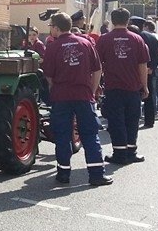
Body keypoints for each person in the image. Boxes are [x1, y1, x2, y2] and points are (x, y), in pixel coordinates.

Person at [42, 12, 110, 186]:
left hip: (61, 97)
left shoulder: (52, 47)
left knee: (62, 135)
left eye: (51, 27)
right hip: (83, 95)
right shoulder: (86, 43)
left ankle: (63, 174)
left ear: (56, 28)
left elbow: (48, 75)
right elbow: (97, 70)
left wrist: (54, 88)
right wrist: (92, 91)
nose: (51, 30)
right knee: (90, 134)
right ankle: (96, 174)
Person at [96, 8, 150, 165]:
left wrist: (97, 85)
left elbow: (97, 65)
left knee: (116, 121)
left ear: (112, 21)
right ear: (128, 21)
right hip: (133, 87)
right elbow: (142, 65)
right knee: (132, 120)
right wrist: (145, 86)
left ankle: (119, 154)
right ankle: (131, 152)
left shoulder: (104, 39)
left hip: (113, 87)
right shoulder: (137, 39)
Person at [130, 16, 158, 128]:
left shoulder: (133, 37)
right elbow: (156, 54)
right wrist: (151, 68)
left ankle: (133, 120)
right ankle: (149, 120)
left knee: (132, 95)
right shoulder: (151, 37)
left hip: (133, 71)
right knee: (149, 96)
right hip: (148, 71)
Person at [144, 20, 158, 119]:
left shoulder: (148, 38)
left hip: (153, 67)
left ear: (147, 27)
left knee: (152, 91)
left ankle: (154, 112)